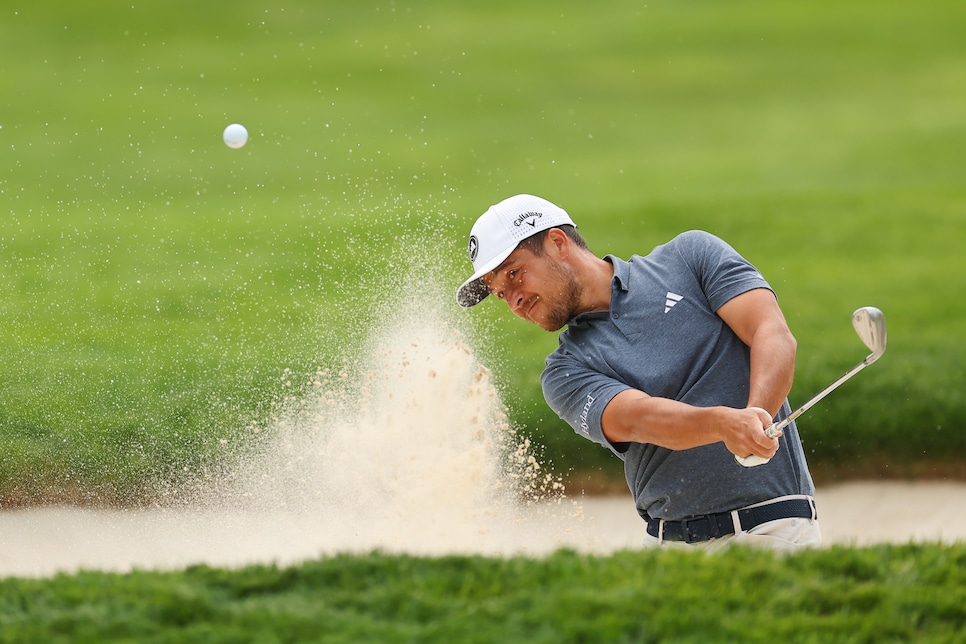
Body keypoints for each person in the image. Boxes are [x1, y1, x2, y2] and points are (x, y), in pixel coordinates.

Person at [456, 194, 821, 550]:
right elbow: (637, 418)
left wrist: (757, 415)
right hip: (672, 546)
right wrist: (725, 424)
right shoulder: (564, 373)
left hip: (775, 526)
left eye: (514, 274)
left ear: (556, 243)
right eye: (500, 293)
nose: (513, 300)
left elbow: (770, 331)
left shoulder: (689, 257)